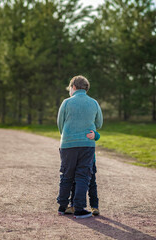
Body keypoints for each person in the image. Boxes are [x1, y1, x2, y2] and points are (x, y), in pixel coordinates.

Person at [57, 75, 103, 219]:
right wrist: (93, 133)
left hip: (67, 145)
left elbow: (60, 123)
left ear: (74, 87)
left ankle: (62, 206)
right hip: (86, 145)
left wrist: (66, 136)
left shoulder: (66, 102)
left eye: (70, 88)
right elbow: (99, 124)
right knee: (83, 176)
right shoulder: (94, 103)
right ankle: (79, 208)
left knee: (66, 175)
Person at [65, 130, 100, 216]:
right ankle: (73, 205)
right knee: (75, 183)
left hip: (90, 161)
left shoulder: (89, 126)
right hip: (77, 161)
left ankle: (94, 206)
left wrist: (95, 135)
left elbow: (97, 136)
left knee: (92, 184)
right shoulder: (75, 128)